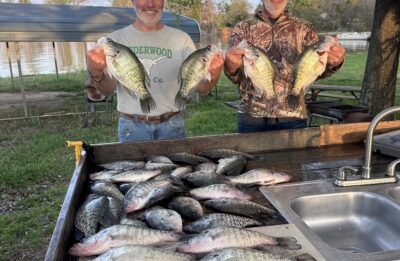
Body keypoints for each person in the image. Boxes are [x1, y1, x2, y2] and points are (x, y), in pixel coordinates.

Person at [86, 0, 223, 142]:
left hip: (172, 126)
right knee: (133, 165)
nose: (150, 4)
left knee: (174, 165)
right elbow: (107, 90)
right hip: (132, 127)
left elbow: (201, 88)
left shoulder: (182, 39)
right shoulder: (116, 39)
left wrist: (214, 74)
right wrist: (95, 72)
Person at [224, 0, 346, 133]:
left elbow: (315, 72)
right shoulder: (242, 28)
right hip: (251, 118)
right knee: (249, 155)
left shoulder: (305, 28)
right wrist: (230, 66)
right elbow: (236, 77)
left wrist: (334, 63)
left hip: (293, 117)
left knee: (293, 155)